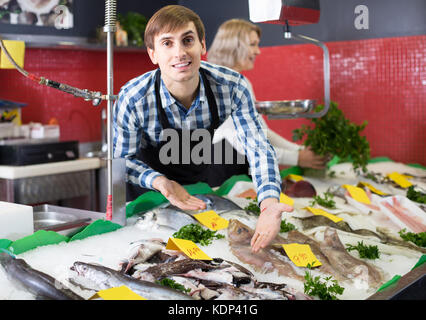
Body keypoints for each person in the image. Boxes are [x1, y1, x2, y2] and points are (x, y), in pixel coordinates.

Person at [113, 5, 292, 252]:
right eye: (167, 43)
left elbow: (259, 148)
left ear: (202, 46)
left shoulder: (232, 87)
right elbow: (122, 161)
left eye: (188, 40)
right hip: (149, 199)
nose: (180, 53)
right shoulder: (133, 97)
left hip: (198, 192)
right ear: (152, 54)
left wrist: (269, 203)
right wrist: (160, 182)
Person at [208, 19, 328, 170]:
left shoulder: (243, 83)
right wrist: (297, 158)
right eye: (252, 44)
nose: (258, 51)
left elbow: (261, 131)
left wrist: (300, 151)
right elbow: (240, 145)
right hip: (218, 176)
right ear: (233, 46)